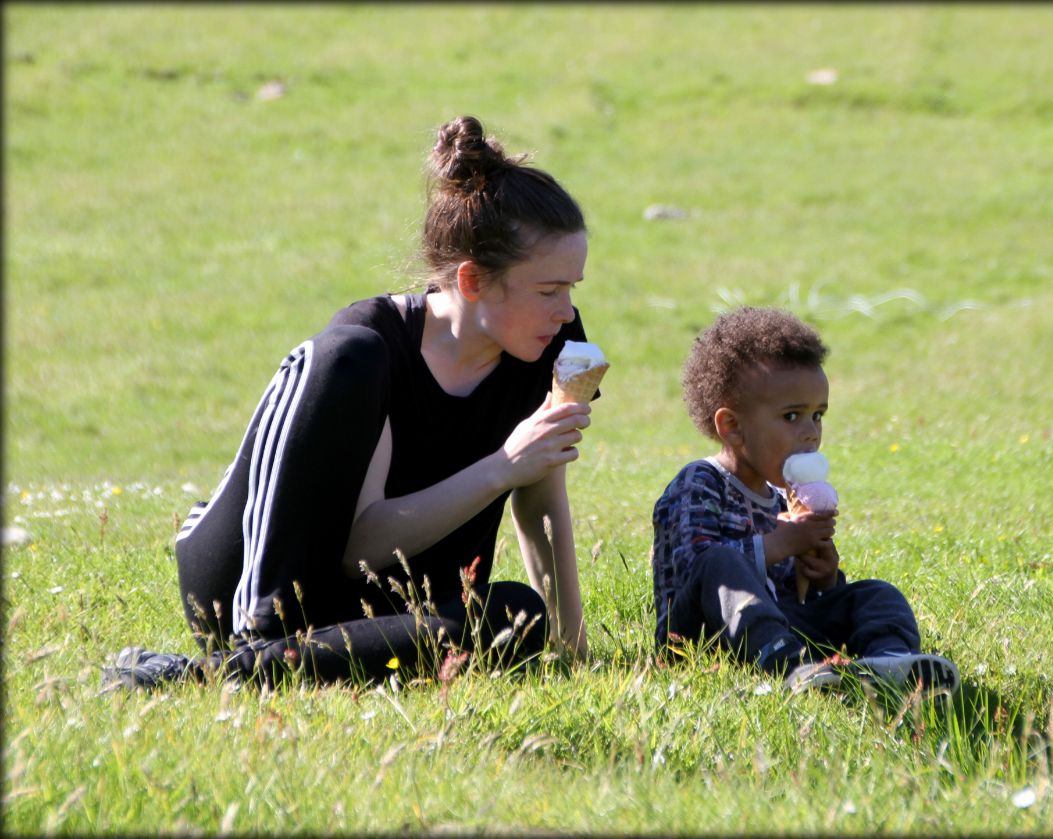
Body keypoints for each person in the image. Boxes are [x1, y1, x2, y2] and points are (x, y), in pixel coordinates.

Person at [105, 115, 598, 689]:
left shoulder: (548, 344)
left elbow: (539, 496)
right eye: (548, 290)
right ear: (471, 281)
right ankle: (217, 670)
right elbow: (357, 546)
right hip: (266, 580)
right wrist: (502, 467)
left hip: (387, 598)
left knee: (519, 618)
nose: (566, 311)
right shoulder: (365, 354)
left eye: (572, 289)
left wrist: (573, 650)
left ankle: (233, 676)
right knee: (281, 628)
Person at [650, 306, 958, 693]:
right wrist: (781, 544)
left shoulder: (782, 498)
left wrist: (823, 578)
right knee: (720, 560)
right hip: (697, 638)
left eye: (818, 415)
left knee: (876, 593)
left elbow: (798, 597)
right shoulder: (700, 483)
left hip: (781, 625)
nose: (811, 433)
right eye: (792, 417)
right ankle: (792, 666)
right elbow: (698, 569)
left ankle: (890, 660)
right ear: (733, 427)